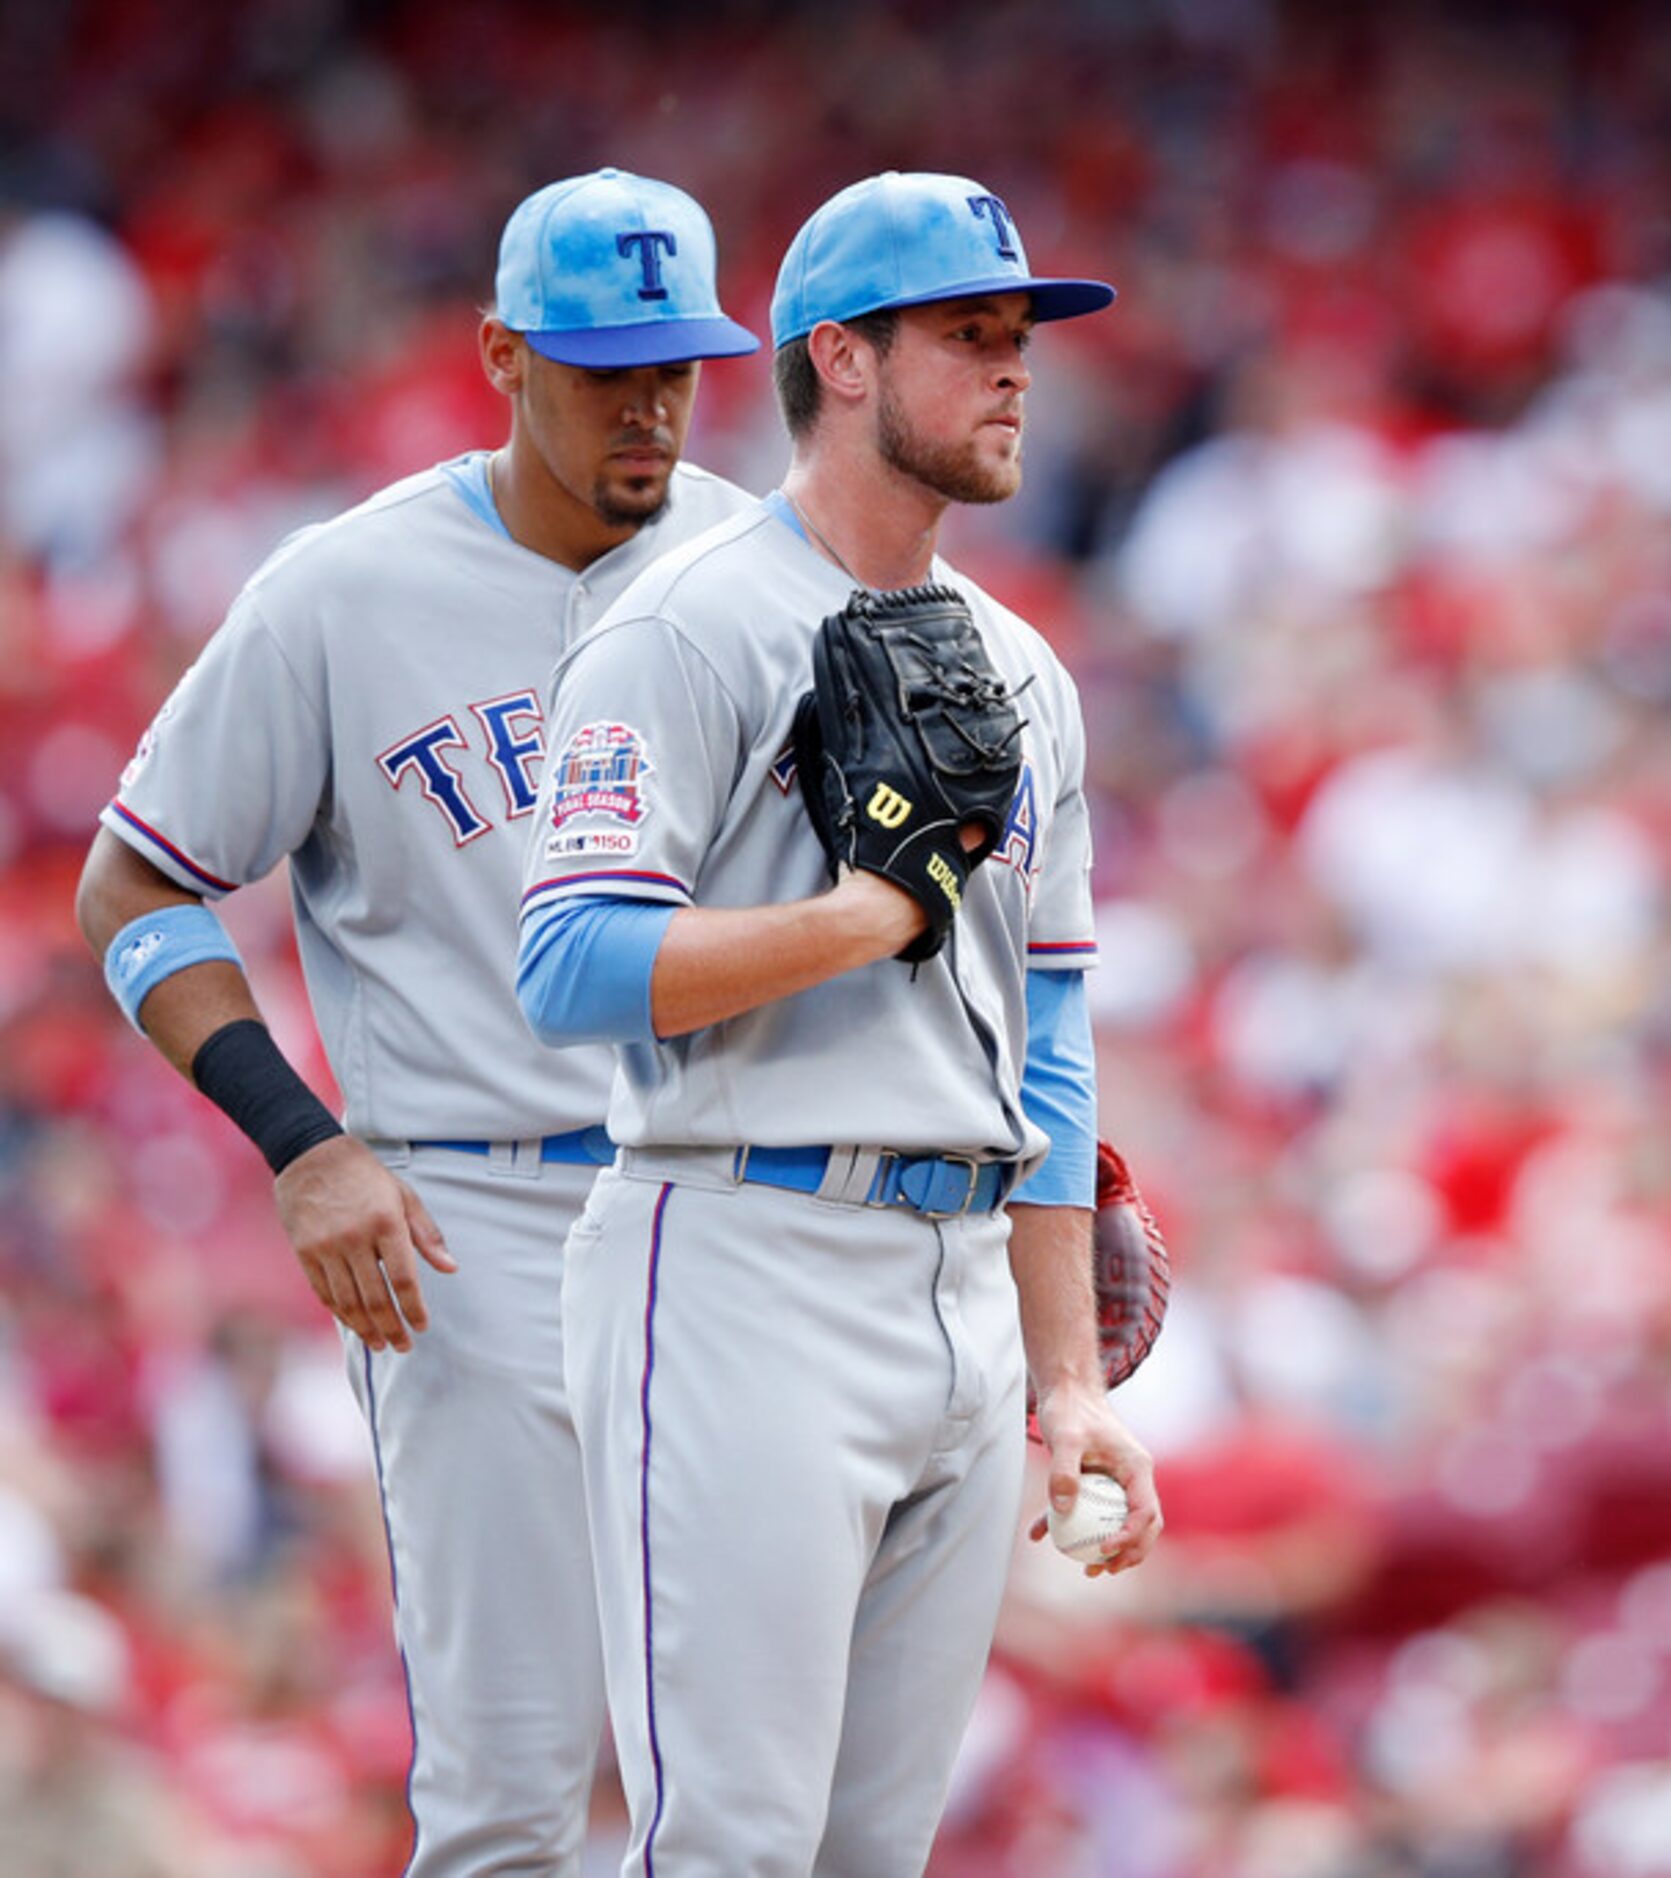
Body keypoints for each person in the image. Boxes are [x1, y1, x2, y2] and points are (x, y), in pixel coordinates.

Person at [72, 169, 761, 1871]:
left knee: (763, 1794)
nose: (654, 404)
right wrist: (302, 1147)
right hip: (480, 1220)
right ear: (502, 359)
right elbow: (134, 888)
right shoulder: (341, 593)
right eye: (610, 368)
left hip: (749, 1204)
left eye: (678, 364)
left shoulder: (770, 573)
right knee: (510, 1795)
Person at [512, 170, 1162, 1870]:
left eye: (1022, 337)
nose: (1019, 368)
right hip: (736, 1253)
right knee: (729, 1846)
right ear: (842, 361)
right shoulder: (686, 619)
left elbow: (1054, 1047)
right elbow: (571, 964)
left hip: (957, 1291)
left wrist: (1068, 1382)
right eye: (972, 335)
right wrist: (861, 918)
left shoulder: (1029, 674)